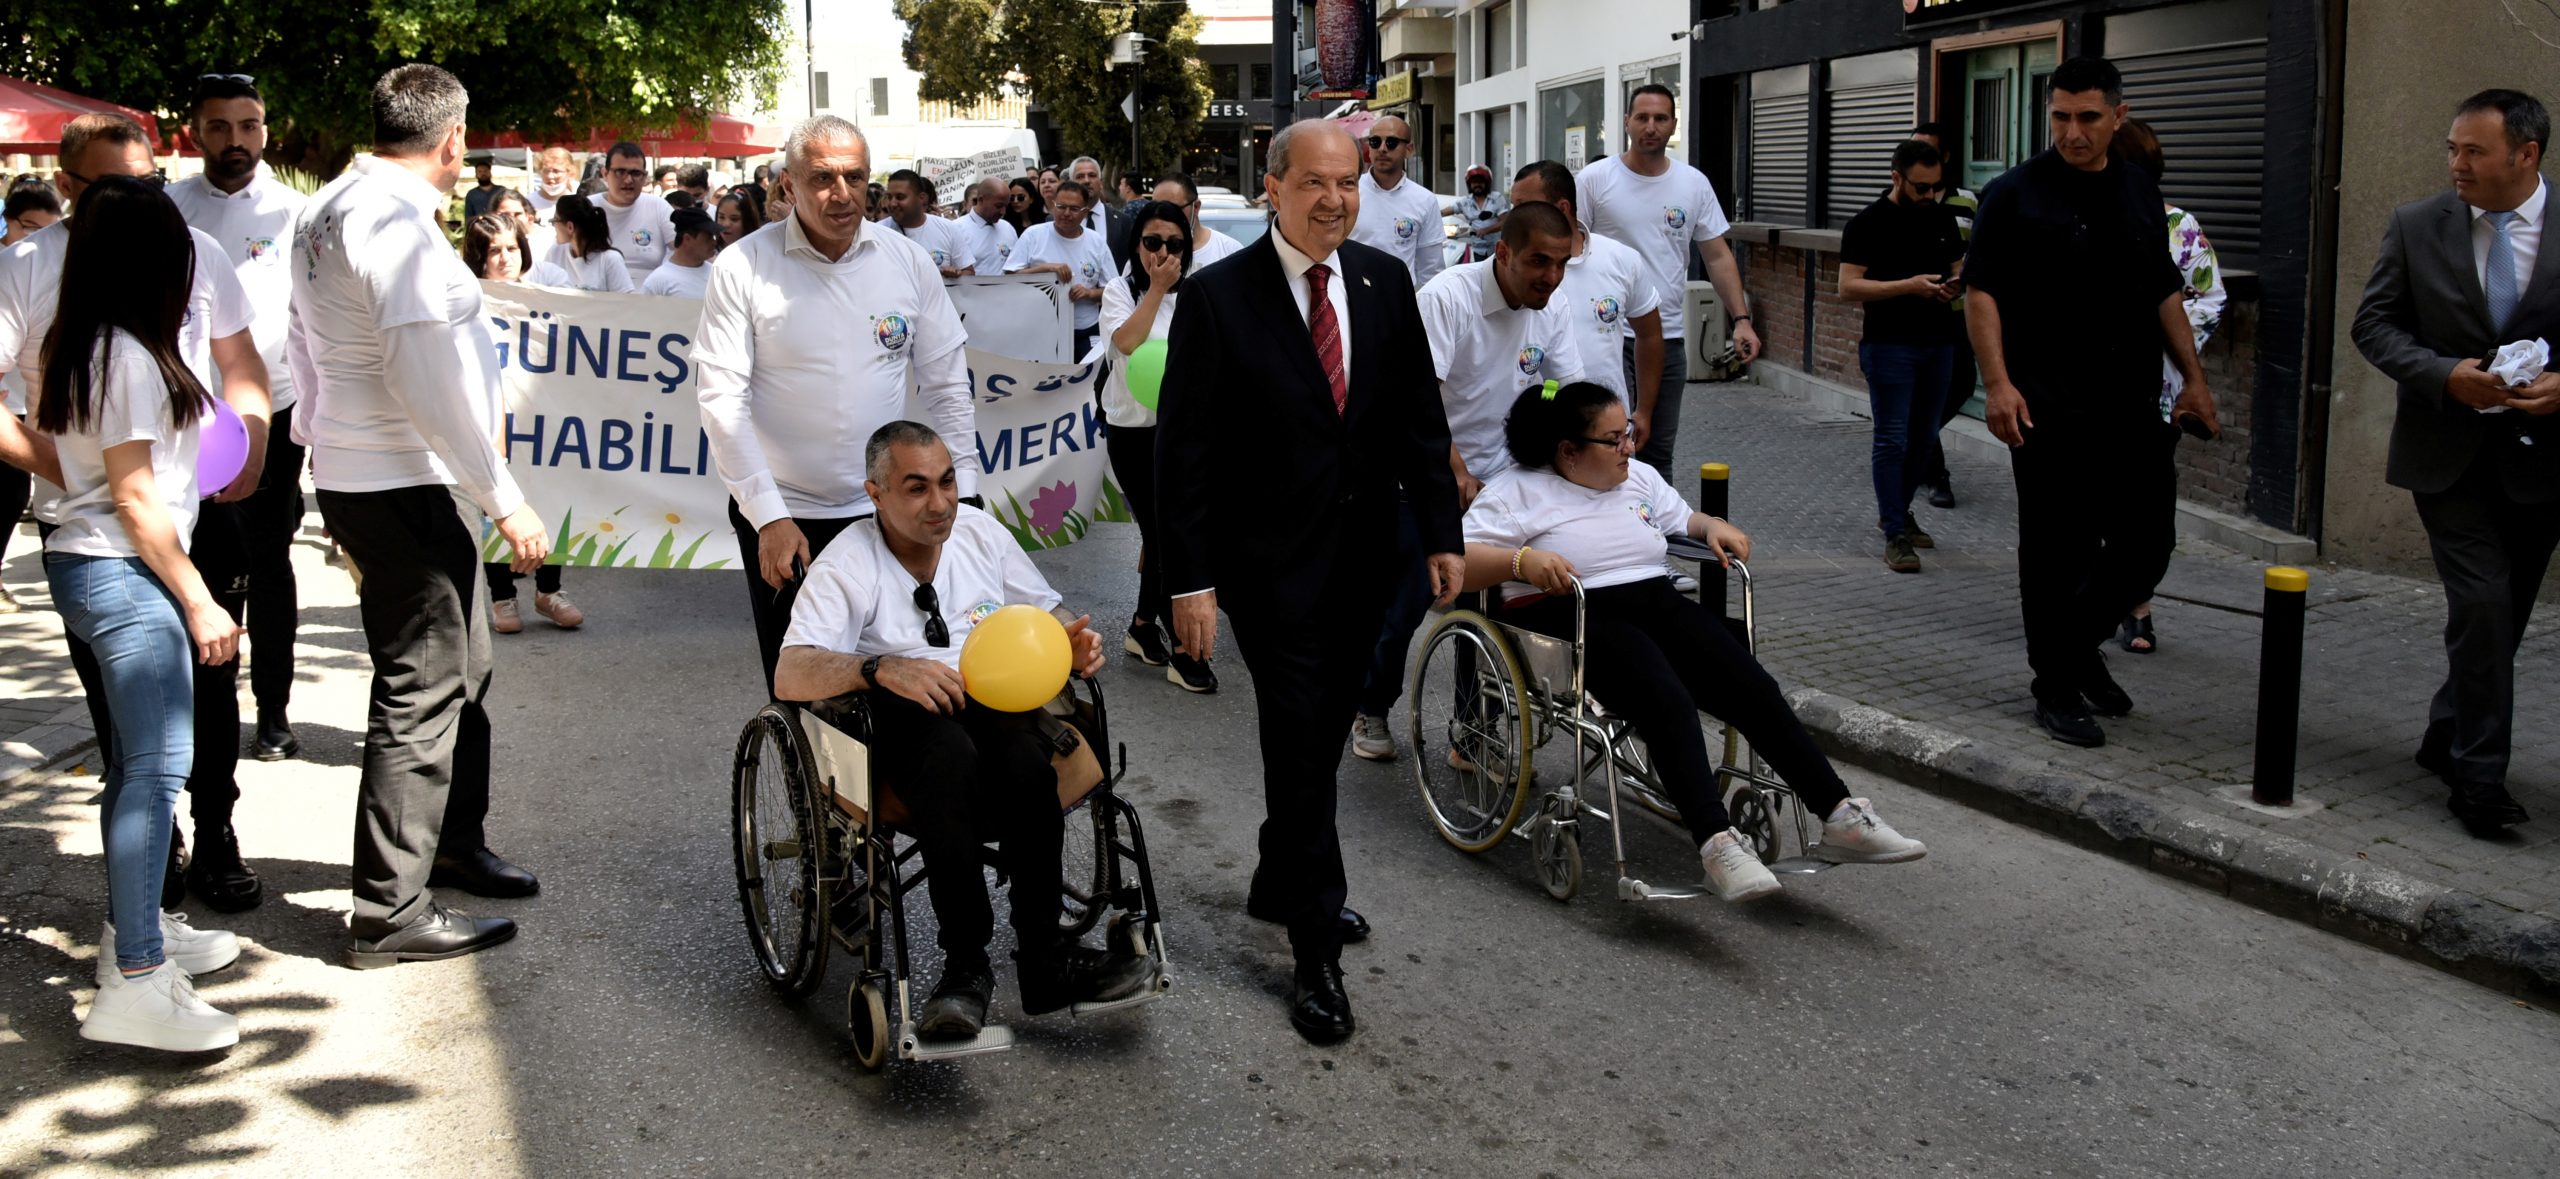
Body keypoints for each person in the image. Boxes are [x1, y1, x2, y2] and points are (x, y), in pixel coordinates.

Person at [1153, 120, 1463, 1044]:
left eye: (1351, 182)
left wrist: (1441, 533)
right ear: (1273, 187)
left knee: (1321, 733)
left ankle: (1275, 875)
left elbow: (1416, 416)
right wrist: (1190, 583)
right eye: (1317, 182)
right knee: (1297, 741)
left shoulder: (1383, 280)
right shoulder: (1217, 299)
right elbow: (1184, 455)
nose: (1337, 198)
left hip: (1367, 556)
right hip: (1269, 570)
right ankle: (1314, 945)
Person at [1460, 382, 1929, 901]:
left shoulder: (1637, 478)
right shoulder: (1516, 492)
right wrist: (1521, 561)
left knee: (1749, 682)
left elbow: (1681, 518)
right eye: (1613, 439)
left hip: (1654, 599)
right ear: (1568, 452)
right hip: (1572, 613)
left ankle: (1839, 814)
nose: (1628, 448)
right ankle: (1716, 841)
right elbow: (1459, 562)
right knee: (1665, 697)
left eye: (1628, 434)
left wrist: (1710, 527)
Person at [289, 63, 555, 968]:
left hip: (378, 473)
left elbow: (305, 342)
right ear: (452, 139)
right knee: (424, 680)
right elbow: (424, 380)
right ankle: (389, 908)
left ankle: (449, 842)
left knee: (463, 665)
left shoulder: (326, 208)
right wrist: (504, 497)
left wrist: (319, 439)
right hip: (404, 478)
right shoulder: (389, 224)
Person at [773, 421, 1151, 1039]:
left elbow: (1042, 610)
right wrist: (881, 667)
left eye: (947, 482)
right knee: (949, 760)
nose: (941, 503)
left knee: (1029, 768)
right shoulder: (848, 562)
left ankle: (1044, 963)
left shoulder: (978, 532)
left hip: (988, 697)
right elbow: (791, 671)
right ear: (876, 494)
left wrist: (1070, 643)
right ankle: (964, 968)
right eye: (917, 488)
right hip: (895, 713)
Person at [0, 176, 248, 1050]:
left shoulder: (91, 342)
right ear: (161, 261)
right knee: (152, 771)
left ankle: (137, 933)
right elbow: (139, 505)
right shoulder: (129, 357)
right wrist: (200, 597)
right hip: (120, 571)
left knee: (143, 768)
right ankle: (136, 979)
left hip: (90, 561)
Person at [1962, 56, 2212, 749]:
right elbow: (1981, 292)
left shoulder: (2137, 192)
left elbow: (2166, 291)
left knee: (2146, 546)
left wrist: (2191, 377)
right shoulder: (2014, 195)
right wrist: (1998, 383)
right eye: (2061, 118)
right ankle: (2057, 684)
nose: (2072, 132)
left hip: (2132, 404)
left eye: (2088, 118)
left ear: (2118, 117)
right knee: (2055, 551)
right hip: (2046, 404)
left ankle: (2073, 653)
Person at [694, 115, 977, 693]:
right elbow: (723, 400)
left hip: (887, 514)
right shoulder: (742, 267)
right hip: (787, 517)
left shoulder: (907, 262)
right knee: (807, 684)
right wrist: (769, 516)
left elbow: (948, 387)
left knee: (900, 677)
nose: (842, 194)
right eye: (822, 178)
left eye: (854, 177)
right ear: (788, 184)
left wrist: (963, 494)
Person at [2351, 87, 2558, 833]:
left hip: (2543, 464)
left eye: (2473, 151)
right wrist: (2444, 375)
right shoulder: (2418, 226)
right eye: (2451, 148)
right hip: (2446, 456)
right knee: (2481, 603)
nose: (2456, 164)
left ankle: (2446, 730)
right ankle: (2479, 780)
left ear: (2525, 155)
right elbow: (2373, 324)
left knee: (2500, 618)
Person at [1350, 200, 1583, 763]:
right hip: (1425, 472)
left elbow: (1572, 393)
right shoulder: (1446, 298)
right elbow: (1415, 399)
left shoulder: (1550, 306)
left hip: (1500, 480)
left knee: (1488, 605)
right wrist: (1454, 470)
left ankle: (1473, 728)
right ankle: (1371, 707)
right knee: (1411, 599)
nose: (1550, 277)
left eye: (1560, 264)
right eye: (1538, 263)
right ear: (1502, 253)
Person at [168, 72, 313, 767]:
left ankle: (274, 710)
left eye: (248, 126)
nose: (236, 140)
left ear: (266, 128)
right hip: (188, 419)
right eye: (221, 127)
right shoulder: (168, 209)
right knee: (197, 562)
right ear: (196, 130)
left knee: (269, 562)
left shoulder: (295, 212)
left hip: (275, 411)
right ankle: (198, 701)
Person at [1579, 83, 1763, 476]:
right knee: (1604, 445)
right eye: (1642, 117)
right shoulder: (1595, 180)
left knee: (1657, 451)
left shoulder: (1692, 183)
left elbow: (1716, 256)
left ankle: (1653, 532)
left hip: (1667, 337)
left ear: (1673, 125)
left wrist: (1741, 319)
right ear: (1627, 121)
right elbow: (1569, 253)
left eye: (1660, 118)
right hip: (1604, 333)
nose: (1650, 126)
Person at [2110, 118, 2228, 653]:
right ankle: (2108, 606)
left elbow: (2208, 298)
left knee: (2149, 510)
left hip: (2156, 393)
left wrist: (2161, 336)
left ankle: (2136, 600)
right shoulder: (2069, 221)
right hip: (2080, 391)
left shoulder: (2177, 226)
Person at [1099, 199, 1217, 694]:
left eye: (1173, 244)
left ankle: (1143, 627)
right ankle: (1184, 650)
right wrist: (1157, 289)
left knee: (1163, 533)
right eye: (1152, 243)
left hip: (1184, 433)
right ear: (1137, 245)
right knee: (1166, 533)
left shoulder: (1198, 293)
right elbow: (1126, 343)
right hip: (1132, 432)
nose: (1162, 252)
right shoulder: (1119, 291)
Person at [1837, 139, 1967, 574]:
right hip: (1890, 344)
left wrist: (1955, 282)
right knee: (1892, 438)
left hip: (1940, 342)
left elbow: (1959, 264)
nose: (1930, 196)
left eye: (1936, 187)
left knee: (1924, 437)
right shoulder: (1867, 224)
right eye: (1921, 187)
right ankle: (1895, 531)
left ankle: (1898, 510)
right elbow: (1849, 287)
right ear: (1896, 178)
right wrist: (1908, 286)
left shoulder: (1942, 215)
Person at [1508, 159, 1665, 436]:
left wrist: (1644, 411)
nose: (1513, 217)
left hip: (1609, 430)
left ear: (1562, 208)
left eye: (1524, 207)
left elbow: (1650, 334)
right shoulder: (1511, 268)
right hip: (1539, 425)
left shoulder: (1621, 259)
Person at [1907, 120, 1981, 512]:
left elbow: (1978, 254)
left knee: (1962, 385)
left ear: (1945, 159)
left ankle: (1915, 442)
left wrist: (1961, 278)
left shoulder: (1967, 202)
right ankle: (1936, 476)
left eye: (1929, 153)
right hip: (1912, 317)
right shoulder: (1896, 204)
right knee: (1923, 392)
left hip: (1955, 314)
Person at [1007, 180, 1117, 358]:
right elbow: (1009, 279)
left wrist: (1089, 294)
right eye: (1061, 207)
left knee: (1090, 381)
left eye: (1074, 209)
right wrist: (1044, 269)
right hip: (1042, 330)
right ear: (1052, 206)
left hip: (1086, 329)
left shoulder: (1096, 242)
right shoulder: (1033, 235)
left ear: (1085, 212)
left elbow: (1113, 291)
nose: (1066, 214)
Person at [1348, 116, 1446, 288]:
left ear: (1409, 149)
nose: (1382, 149)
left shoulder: (1425, 200)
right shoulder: (1350, 191)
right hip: (1352, 295)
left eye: (1391, 142)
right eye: (1375, 142)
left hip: (1400, 301)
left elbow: (1431, 270)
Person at [597, 141, 677, 282]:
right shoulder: (588, 207)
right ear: (605, 173)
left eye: (635, 173)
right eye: (620, 172)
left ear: (644, 177)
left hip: (649, 297)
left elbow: (684, 247)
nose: (628, 180)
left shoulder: (658, 207)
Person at [882, 169, 971, 277]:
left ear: (922, 198)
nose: (892, 203)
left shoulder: (948, 228)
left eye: (900, 197)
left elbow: (968, 271)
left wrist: (956, 275)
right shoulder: (877, 232)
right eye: (889, 197)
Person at [546, 194, 637, 293]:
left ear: (570, 227)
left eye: (555, 221)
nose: (554, 226)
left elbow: (626, 301)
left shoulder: (610, 259)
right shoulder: (555, 252)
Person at [1150, 172, 1244, 266]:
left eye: (1173, 209)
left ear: (1196, 207)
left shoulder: (1230, 251)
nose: (1163, 218)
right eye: (1156, 209)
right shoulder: (1147, 251)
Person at [1068, 156, 1134, 267]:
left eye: (1092, 175)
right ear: (1070, 184)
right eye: (1080, 176)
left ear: (1101, 182)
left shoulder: (1123, 221)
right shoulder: (1057, 220)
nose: (1086, 181)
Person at [640, 207, 720, 298]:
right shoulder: (658, 281)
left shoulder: (716, 274)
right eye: (708, 238)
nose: (714, 242)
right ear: (687, 239)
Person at [957, 177, 1019, 275]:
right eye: (998, 206)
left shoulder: (1008, 228)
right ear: (981, 199)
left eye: (1006, 206)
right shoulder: (956, 229)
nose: (1003, 212)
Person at [1451, 165, 1508, 260]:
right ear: (1469, 184)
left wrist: (1487, 230)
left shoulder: (1496, 198)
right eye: (1474, 182)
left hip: (1496, 249)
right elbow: (1447, 210)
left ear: (1487, 183)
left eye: (1481, 182)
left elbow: (1505, 222)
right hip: (1476, 250)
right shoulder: (1465, 201)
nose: (1477, 185)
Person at [527, 146, 577, 225]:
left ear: (570, 173)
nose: (550, 176)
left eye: (556, 171)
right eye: (546, 171)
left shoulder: (577, 203)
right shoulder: (528, 202)